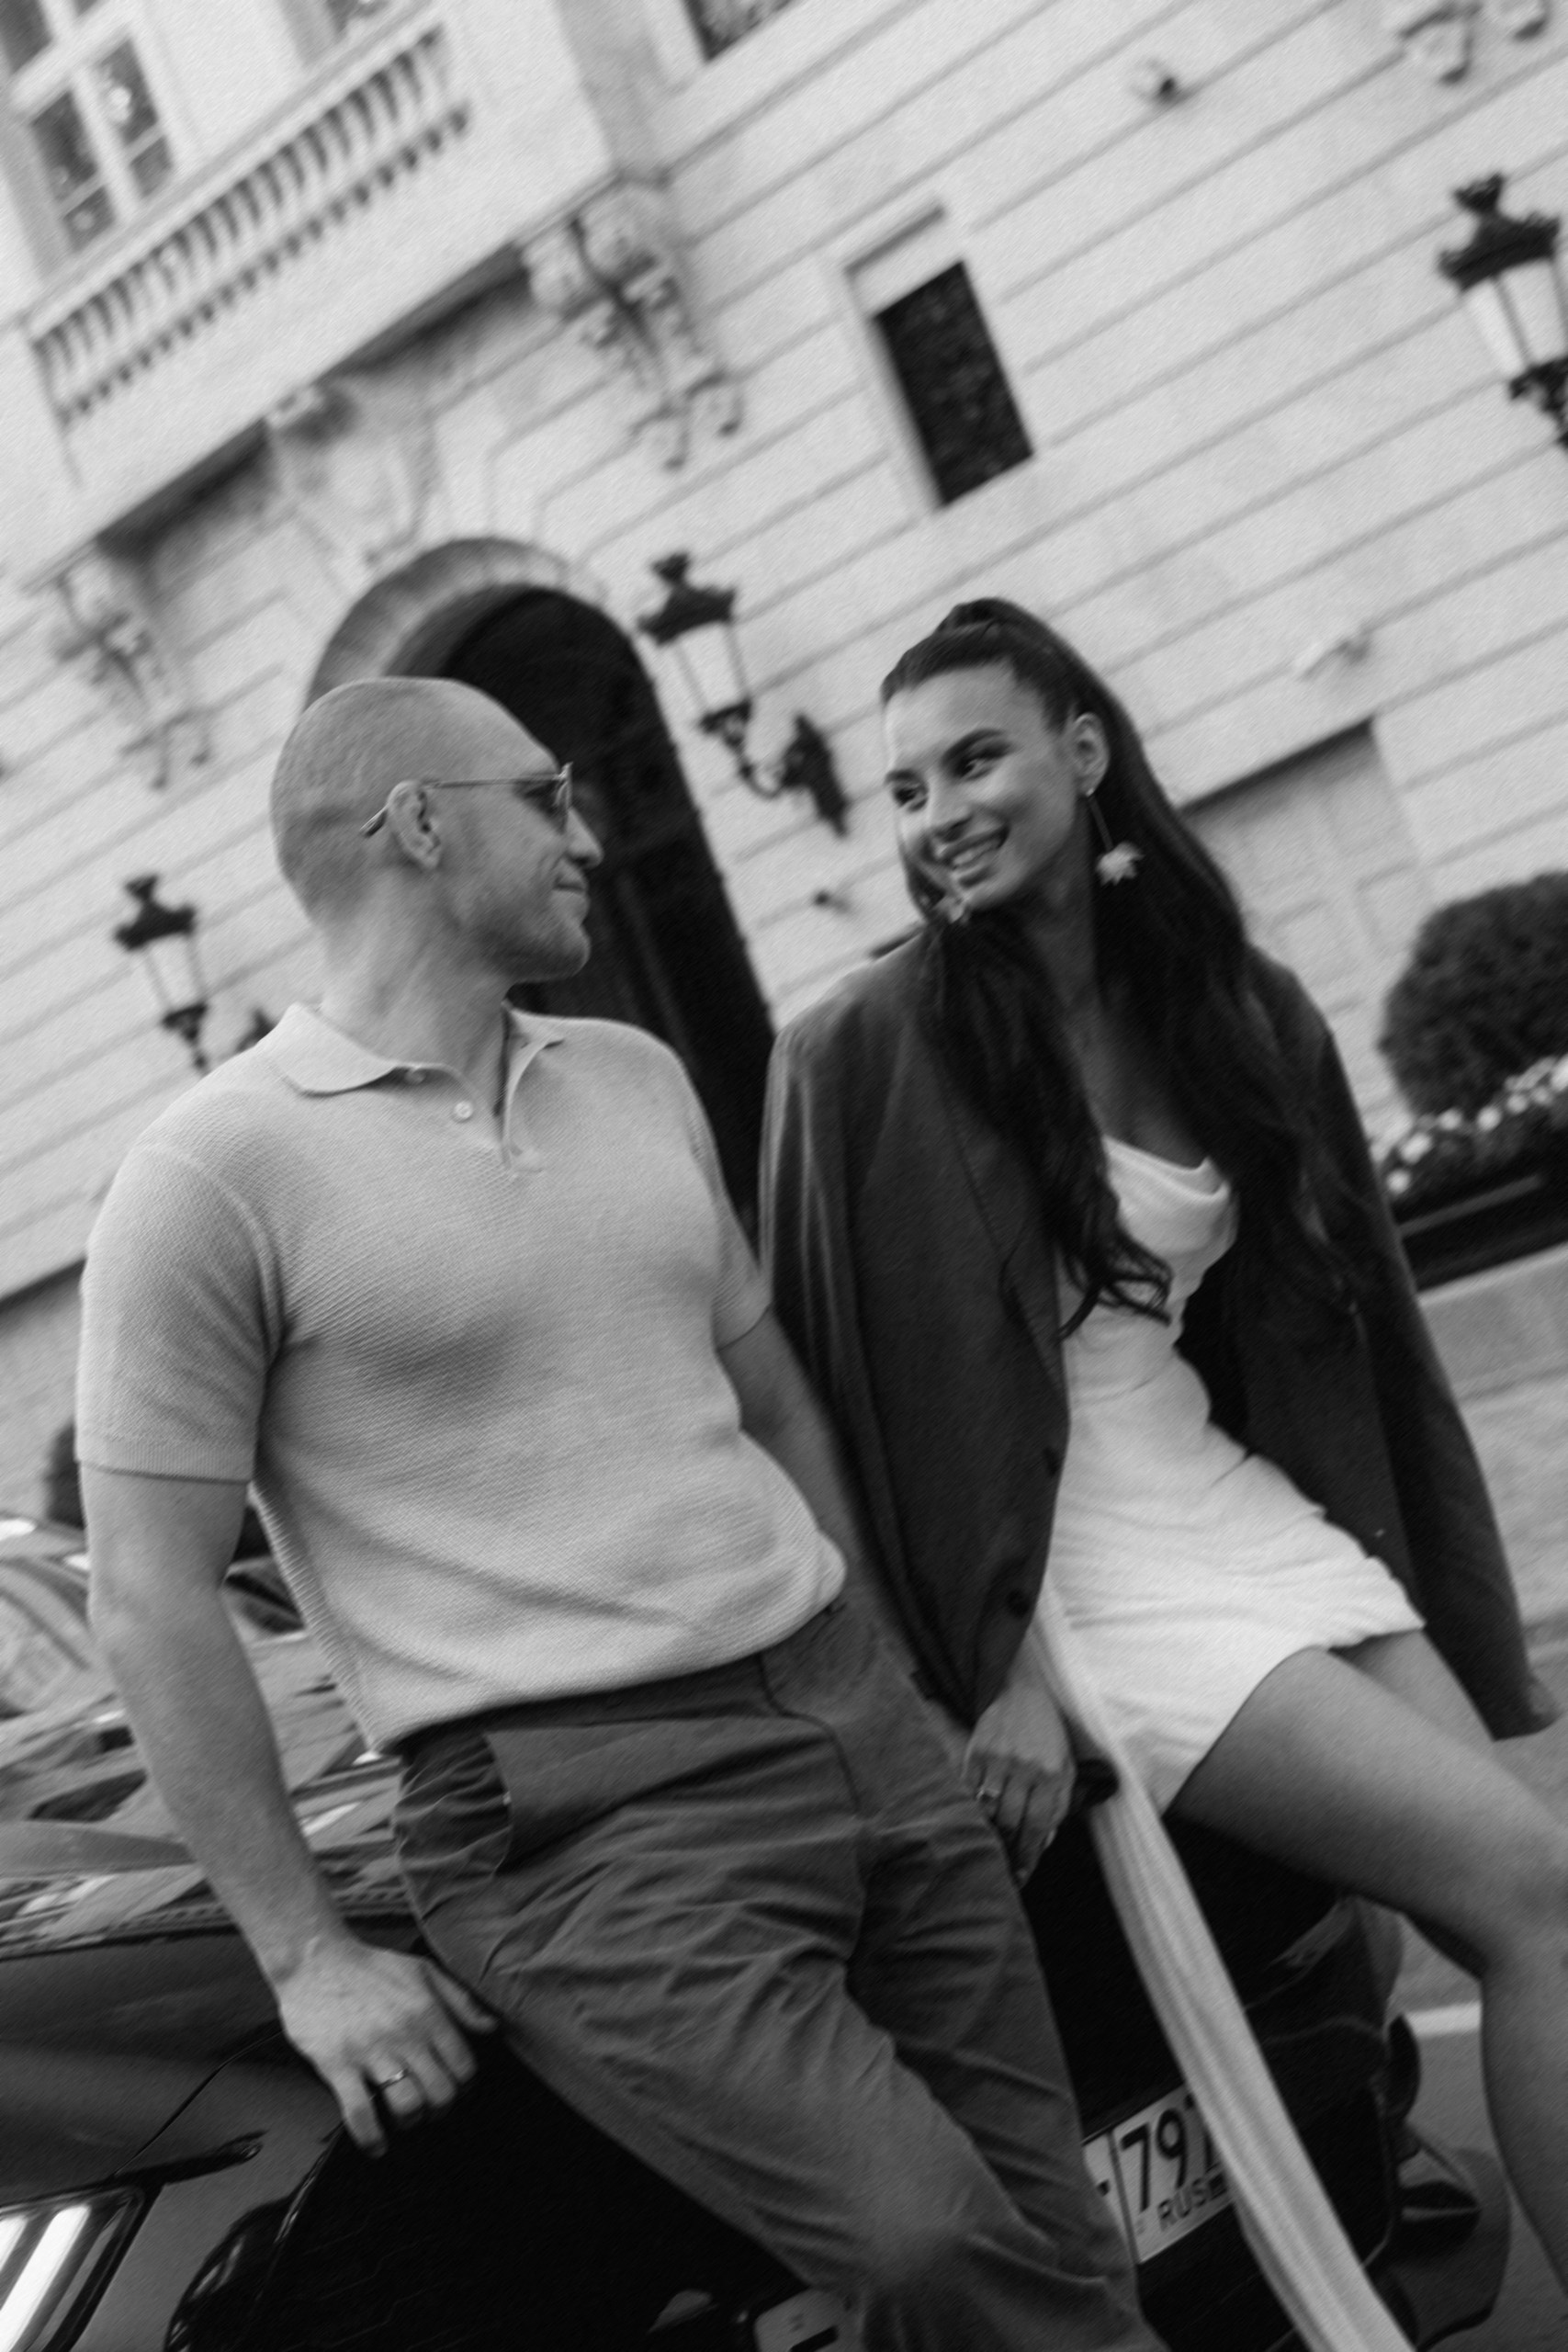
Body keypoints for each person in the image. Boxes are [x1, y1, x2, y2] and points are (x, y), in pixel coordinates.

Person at [75, 673, 1164, 2352]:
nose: (587, 835)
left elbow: (772, 1402)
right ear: (416, 824)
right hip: (586, 1824)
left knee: (1059, 2231)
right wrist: (304, 1955)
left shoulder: (638, 1078)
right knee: (928, 2246)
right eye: (546, 797)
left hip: (850, 1717)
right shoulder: (207, 1177)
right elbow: (150, 1597)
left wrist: (886, 1671)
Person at [761, 597, 1568, 2292]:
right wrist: (994, 1674)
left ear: (1083, 752)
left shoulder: (1230, 1004)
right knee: (1530, 1893)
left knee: (1546, 1908)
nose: (938, 813)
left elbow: (1339, 1324)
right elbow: (830, 1404)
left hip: (1232, 1509)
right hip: (1078, 1585)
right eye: (905, 789)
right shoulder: (864, 1048)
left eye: (974, 760)